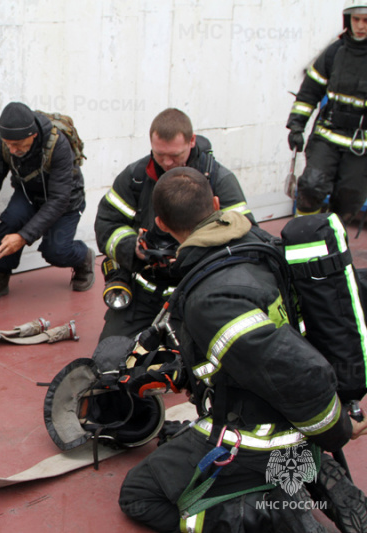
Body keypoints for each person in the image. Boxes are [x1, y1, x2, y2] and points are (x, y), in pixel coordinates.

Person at [118, 167, 367, 532]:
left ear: (162, 224)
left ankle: (275, 508)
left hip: (260, 435)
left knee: (139, 494)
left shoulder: (210, 300)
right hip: (287, 411)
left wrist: (338, 430)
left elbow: (301, 374)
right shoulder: (257, 244)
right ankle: (307, 469)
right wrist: (179, 372)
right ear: (216, 204)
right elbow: (254, 350)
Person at [94, 108, 254, 341]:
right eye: (159, 155)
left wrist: (194, 253)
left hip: (197, 290)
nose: (167, 163)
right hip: (144, 289)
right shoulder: (135, 177)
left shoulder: (219, 180)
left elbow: (246, 235)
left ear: (191, 141)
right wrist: (134, 248)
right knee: (109, 358)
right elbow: (108, 223)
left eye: (175, 155)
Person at [0, 101, 95, 306]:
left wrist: (23, 237)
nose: (11, 149)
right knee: (11, 221)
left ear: (33, 135)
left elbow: (58, 200)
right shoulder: (5, 143)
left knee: (55, 251)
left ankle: (83, 257)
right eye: (8, 143)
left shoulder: (58, 145)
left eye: (18, 145)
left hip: (65, 202)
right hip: (29, 195)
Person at [286, 1, 367, 221]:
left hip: (360, 145)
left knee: (348, 201)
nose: (360, 25)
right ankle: (302, 230)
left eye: (366, 20)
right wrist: (296, 125)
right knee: (311, 187)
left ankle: (333, 245)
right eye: (356, 19)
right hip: (327, 135)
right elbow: (309, 92)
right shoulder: (335, 52)